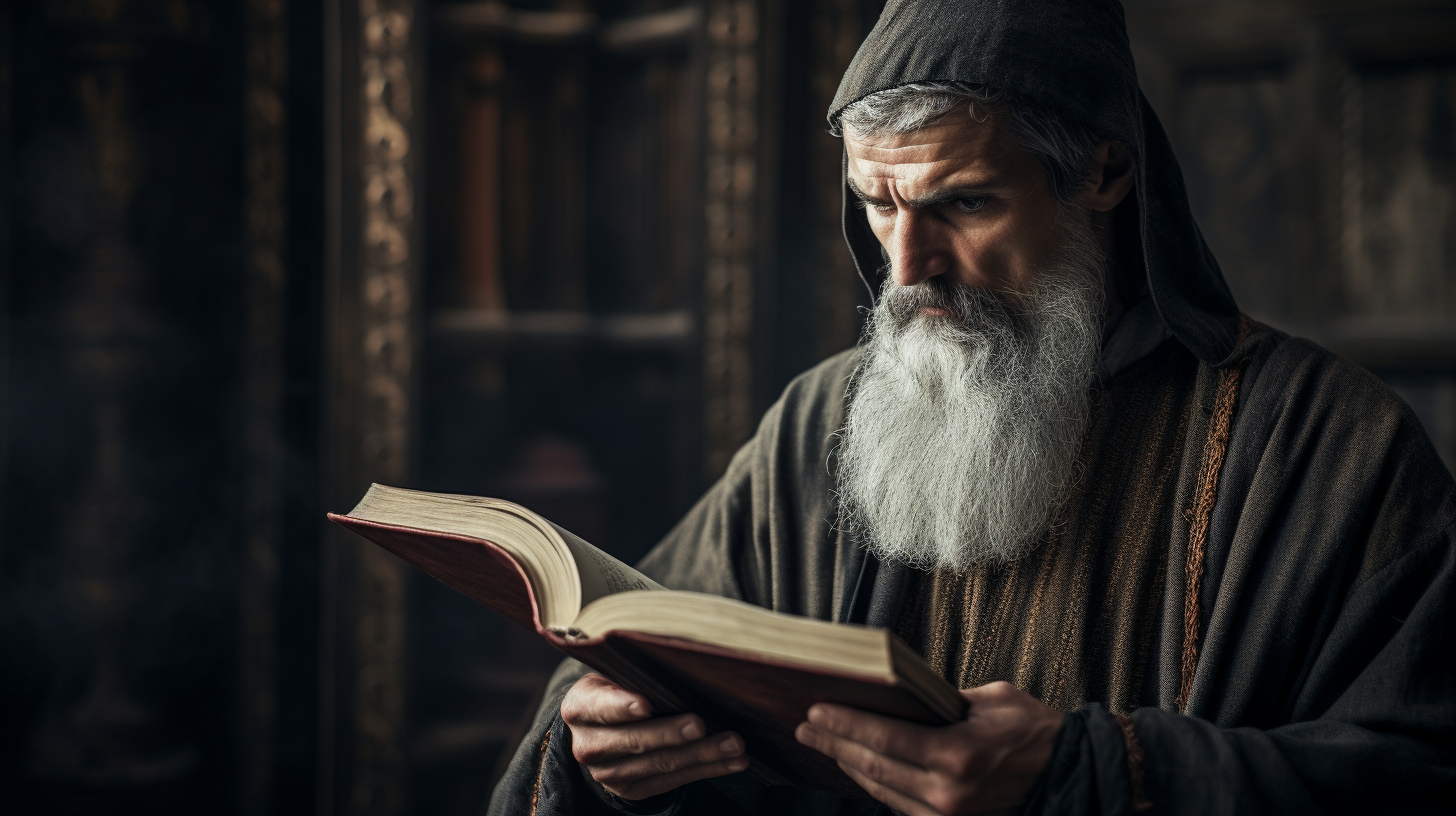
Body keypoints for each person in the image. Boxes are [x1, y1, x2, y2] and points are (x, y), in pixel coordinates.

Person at [489, 1, 1456, 813]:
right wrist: (598, 755)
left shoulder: (1331, 452)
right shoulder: (814, 427)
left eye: (964, 203)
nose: (906, 271)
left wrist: (1094, 776)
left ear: (1105, 173)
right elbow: (603, 692)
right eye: (879, 203)